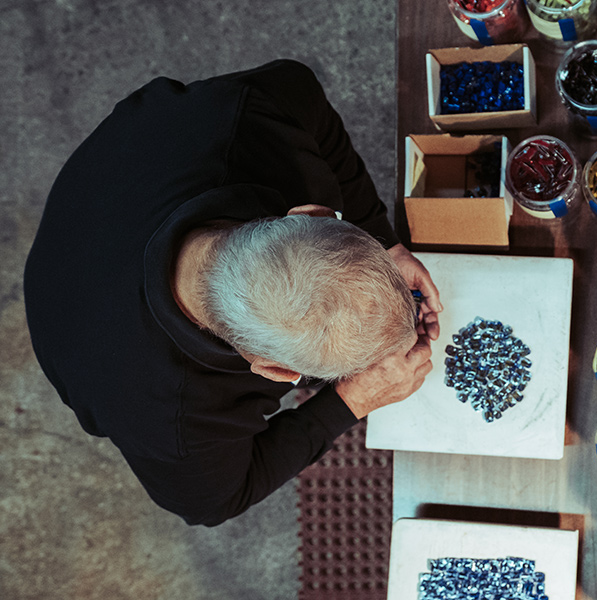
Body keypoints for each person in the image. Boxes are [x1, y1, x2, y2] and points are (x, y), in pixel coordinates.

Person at [24, 60, 442, 526]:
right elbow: (215, 503)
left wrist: (387, 242)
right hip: (69, 325)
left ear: (312, 213)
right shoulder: (174, 425)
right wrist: (353, 400)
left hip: (110, 186)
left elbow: (306, 95)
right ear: (272, 369)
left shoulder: (251, 111)